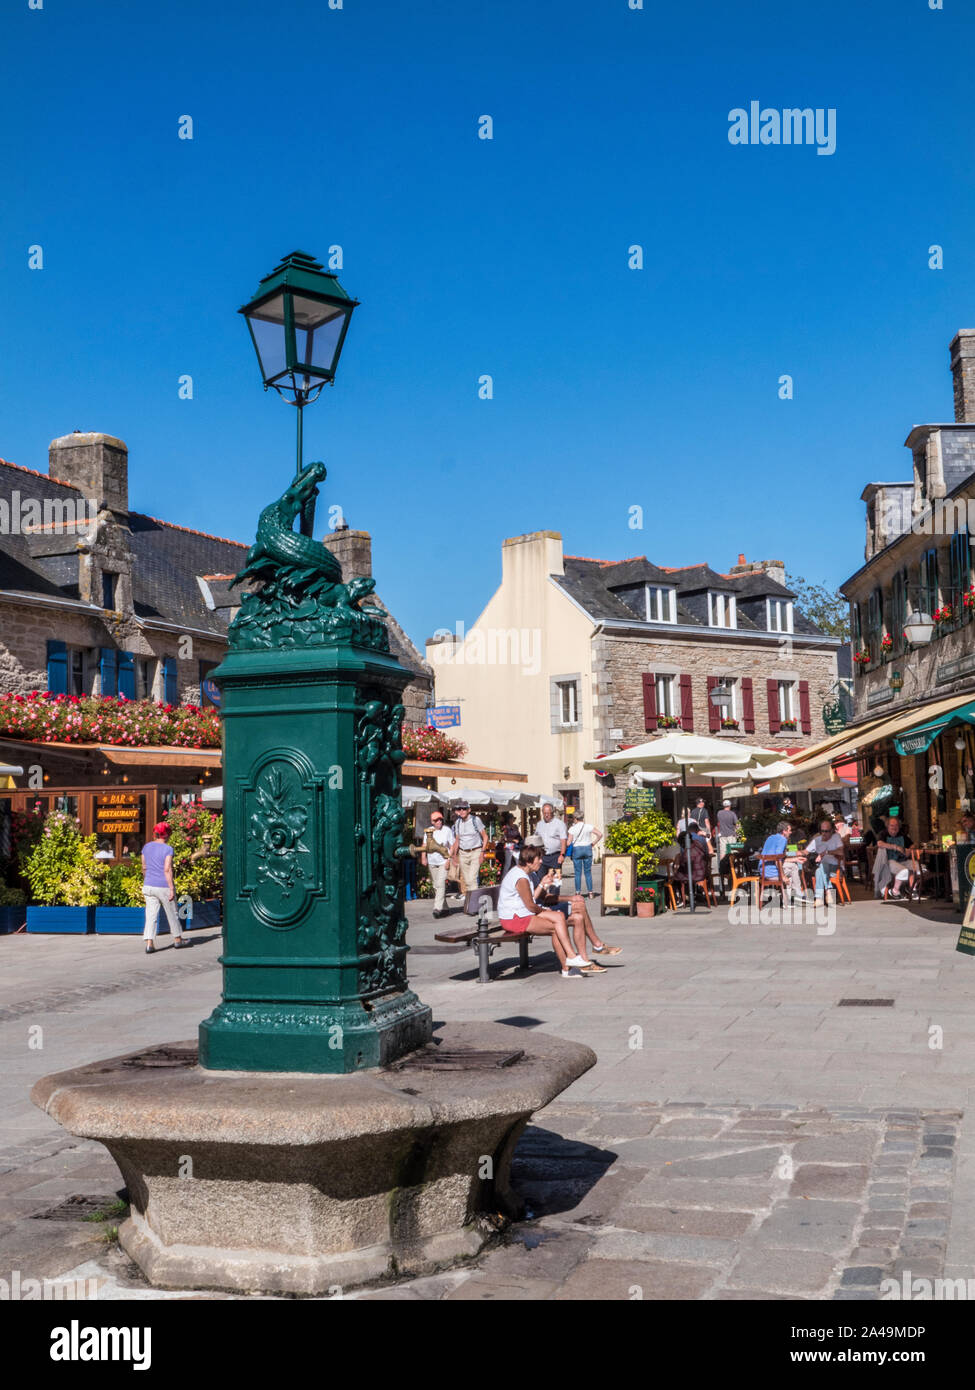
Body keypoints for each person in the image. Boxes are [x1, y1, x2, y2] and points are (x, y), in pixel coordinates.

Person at [497, 846, 596, 979]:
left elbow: (537, 899)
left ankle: (571, 961)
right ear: (529, 861)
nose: (542, 861)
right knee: (557, 925)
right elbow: (531, 905)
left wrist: (544, 885)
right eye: (539, 859)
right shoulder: (520, 878)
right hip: (514, 918)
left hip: (524, 913)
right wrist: (545, 910)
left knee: (569, 918)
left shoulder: (529, 873)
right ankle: (569, 963)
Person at [141, 822, 185, 954]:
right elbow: (167, 869)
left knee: (150, 915)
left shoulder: (146, 847)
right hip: (163, 886)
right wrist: (171, 888)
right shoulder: (168, 849)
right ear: (167, 835)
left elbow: (144, 867)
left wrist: (146, 880)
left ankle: (149, 943)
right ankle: (177, 939)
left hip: (148, 885)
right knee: (172, 913)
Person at [758, 820, 804, 900]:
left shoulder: (770, 837)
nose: (791, 832)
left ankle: (788, 899)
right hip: (771, 873)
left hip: (763, 870)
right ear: (784, 832)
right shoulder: (783, 839)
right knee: (793, 868)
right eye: (789, 830)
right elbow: (778, 860)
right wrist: (783, 876)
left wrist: (795, 858)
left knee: (791, 868)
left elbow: (777, 858)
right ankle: (797, 893)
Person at [804, 817, 846, 904]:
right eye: (822, 831)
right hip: (824, 868)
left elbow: (841, 851)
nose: (824, 833)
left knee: (821, 867)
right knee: (820, 869)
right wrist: (791, 853)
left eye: (826, 831)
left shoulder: (836, 837)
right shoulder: (817, 840)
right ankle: (828, 892)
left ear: (831, 831)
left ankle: (819, 898)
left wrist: (826, 852)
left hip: (836, 868)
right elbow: (805, 851)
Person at [421, 809, 453, 918]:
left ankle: (437, 908)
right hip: (432, 861)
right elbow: (424, 845)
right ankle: (445, 908)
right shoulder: (429, 831)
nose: (439, 822)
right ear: (432, 822)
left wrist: (449, 860)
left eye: (440, 819)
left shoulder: (447, 830)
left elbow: (452, 846)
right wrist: (423, 857)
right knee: (436, 885)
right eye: (436, 820)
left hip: (443, 861)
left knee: (440, 884)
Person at [449, 801, 488, 893]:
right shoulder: (458, 822)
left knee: (472, 879)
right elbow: (457, 840)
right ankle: (471, 901)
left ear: (469, 810)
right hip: (463, 853)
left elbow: (485, 836)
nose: (462, 811)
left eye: (464, 809)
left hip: (475, 851)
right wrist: (454, 856)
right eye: (459, 809)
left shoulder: (476, 820)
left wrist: (482, 852)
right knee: (466, 881)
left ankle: (473, 904)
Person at [873, 816, 915, 900]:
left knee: (918, 868)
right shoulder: (883, 834)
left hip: (903, 860)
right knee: (904, 871)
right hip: (889, 861)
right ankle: (895, 890)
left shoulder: (902, 834)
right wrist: (895, 847)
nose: (894, 827)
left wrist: (909, 850)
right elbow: (880, 844)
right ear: (887, 826)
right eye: (891, 825)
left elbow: (913, 844)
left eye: (896, 825)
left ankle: (912, 889)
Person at [566, 812, 602, 897]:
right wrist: (593, 843)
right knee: (588, 872)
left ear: (575, 818)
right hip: (587, 849)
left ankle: (578, 892)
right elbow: (600, 834)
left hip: (577, 850)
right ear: (583, 818)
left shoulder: (572, 829)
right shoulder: (588, 826)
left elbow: (568, 843)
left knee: (578, 873)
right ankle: (590, 893)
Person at [536, 801, 568, 877]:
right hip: (542, 856)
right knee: (541, 881)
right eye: (544, 813)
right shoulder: (539, 824)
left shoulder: (559, 824)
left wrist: (562, 855)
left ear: (552, 812)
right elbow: (536, 838)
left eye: (548, 813)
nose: (546, 815)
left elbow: (563, 840)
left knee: (555, 883)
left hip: (555, 857)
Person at [495, 811, 523, 876]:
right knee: (508, 863)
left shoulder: (515, 826)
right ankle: (503, 878)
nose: (513, 820)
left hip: (516, 846)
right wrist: (513, 840)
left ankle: (519, 876)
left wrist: (518, 840)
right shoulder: (505, 827)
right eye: (512, 819)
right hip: (509, 846)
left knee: (518, 861)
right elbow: (505, 838)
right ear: (509, 819)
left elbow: (518, 835)